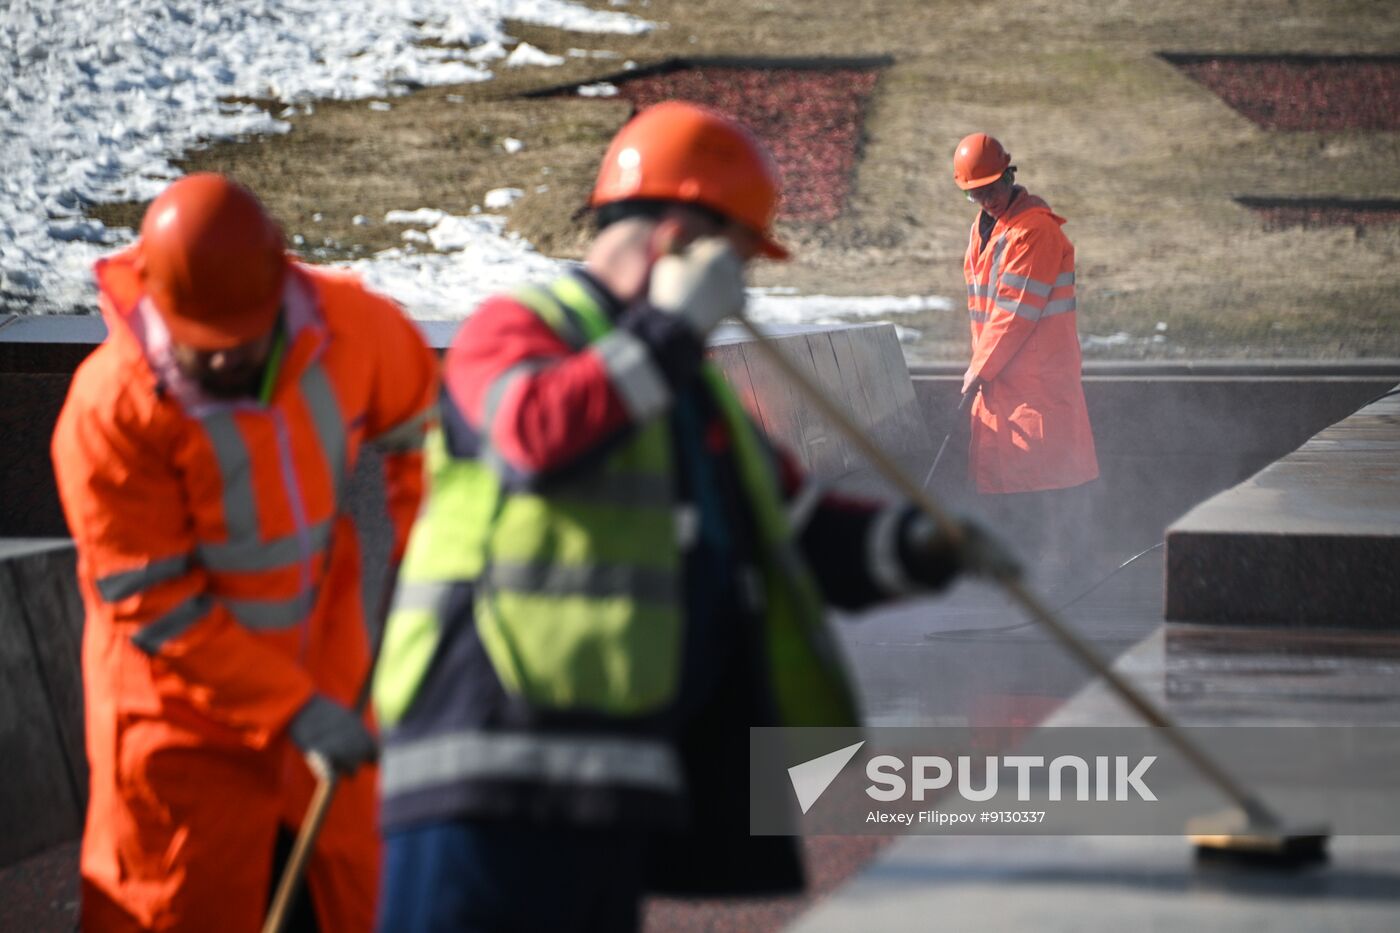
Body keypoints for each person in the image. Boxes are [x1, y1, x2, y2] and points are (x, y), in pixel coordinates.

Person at [371, 101, 1019, 932]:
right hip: (483, 775)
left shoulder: (682, 381)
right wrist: (671, 326)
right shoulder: (522, 328)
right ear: (680, 235)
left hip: (610, 793)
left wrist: (920, 545)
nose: (739, 286)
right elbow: (531, 436)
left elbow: (788, 527)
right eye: (737, 256)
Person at [51, 173, 438, 932]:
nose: (227, 362)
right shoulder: (108, 409)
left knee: (340, 895)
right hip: (177, 718)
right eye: (206, 347)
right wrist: (292, 711)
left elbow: (435, 442)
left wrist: (428, 583)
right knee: (174, 905)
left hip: (322, 674)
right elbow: (154, 606)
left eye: (244, 340)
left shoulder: (351, 328)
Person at [953, 132, 1099, 577]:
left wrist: (979, 369)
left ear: (1011, 176)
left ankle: (1061, 578)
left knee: (1046, 481)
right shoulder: (987, 230)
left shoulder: (1034, 230)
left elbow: (1014, 310)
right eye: (975, 193)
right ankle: (1026, 575)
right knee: (1020, 481)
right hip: (1006, 380)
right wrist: (983, 370)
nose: (986, 199)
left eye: (992, 189)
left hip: (1036, 381)